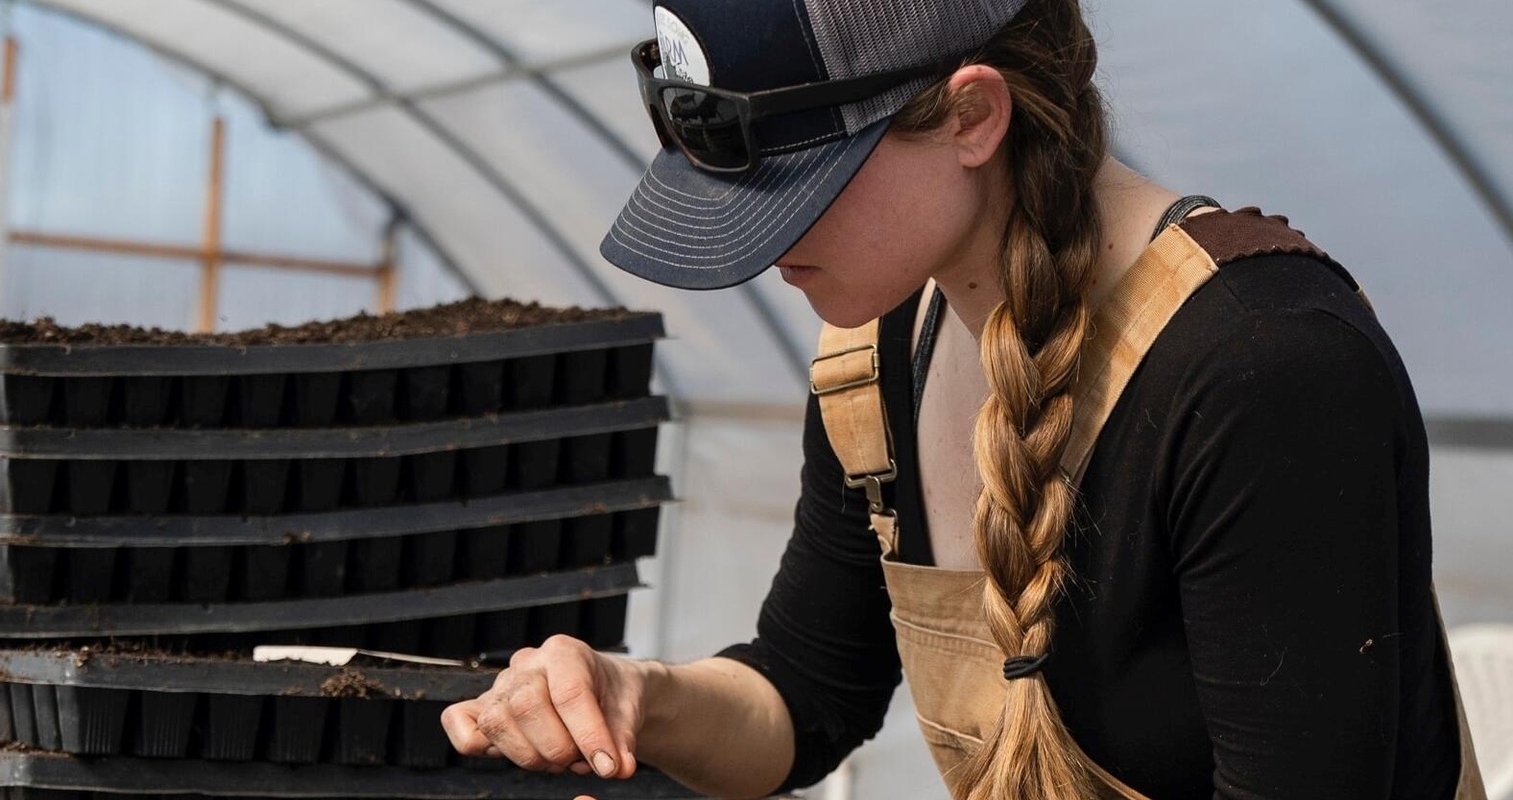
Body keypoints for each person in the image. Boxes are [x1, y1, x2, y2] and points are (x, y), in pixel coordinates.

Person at [440, 0, 1490, 798]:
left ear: (972, 114)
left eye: (796, 185)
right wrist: (639, 694)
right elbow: (805, 693)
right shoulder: (879, 342)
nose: (759, 248)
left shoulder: (1263, 369)